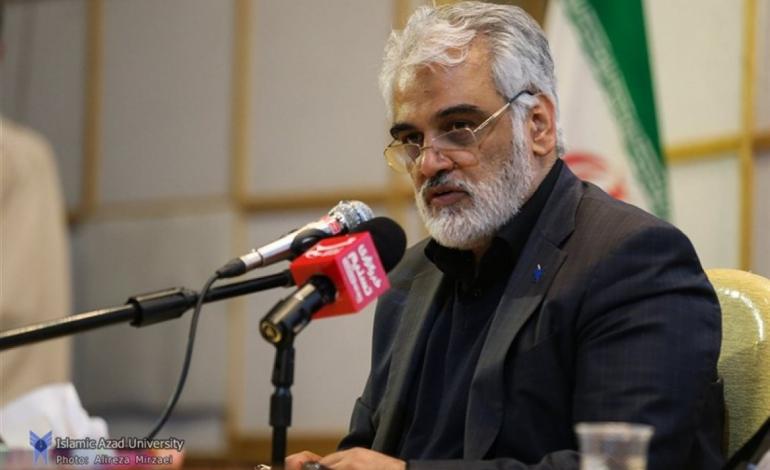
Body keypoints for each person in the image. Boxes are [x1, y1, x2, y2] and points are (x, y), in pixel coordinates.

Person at [287, 2, 723, 469]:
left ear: (538, 126)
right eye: (412, 139)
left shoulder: (633, 261)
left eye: (458, 128)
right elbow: (368, 448)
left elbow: (621, 465)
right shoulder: (410, 277)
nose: (428, 163)